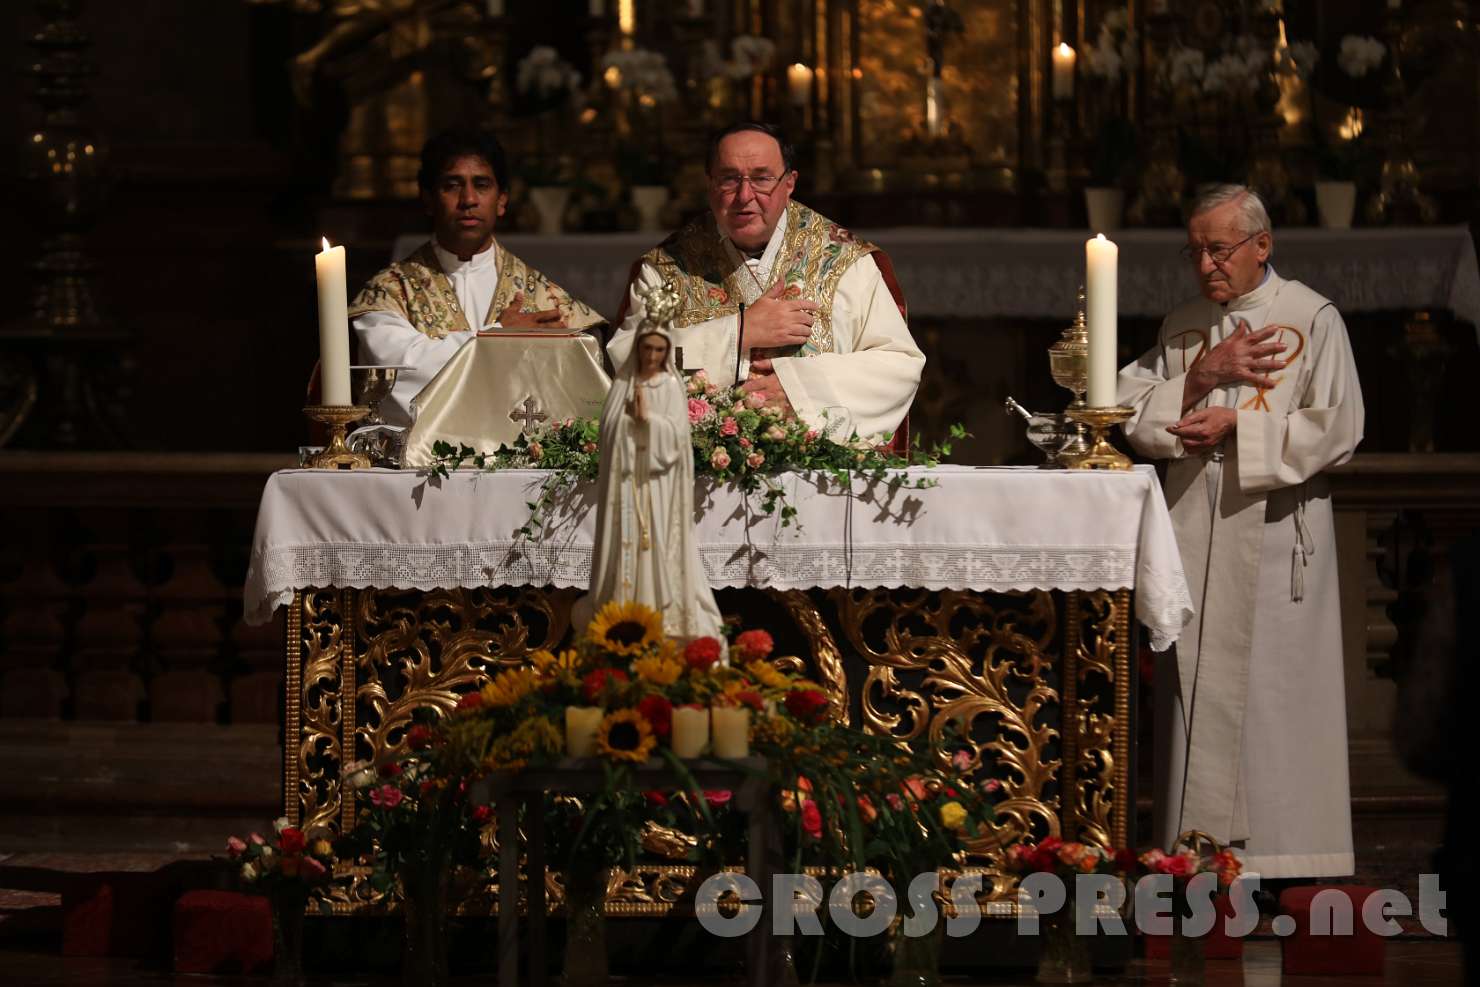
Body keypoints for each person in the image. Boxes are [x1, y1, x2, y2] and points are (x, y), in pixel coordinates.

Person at [1118, 184, 1365, 880]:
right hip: (1194, 527)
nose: (1206, 265)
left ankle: (1287, 859)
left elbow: (1339, 428)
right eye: (1194, 249)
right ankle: (1198, 858)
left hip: (1279, 532)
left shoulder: (1311, 317)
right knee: (1197, 690)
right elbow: (1126, 415)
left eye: (1219, 248)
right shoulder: (1185, 325)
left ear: (1263, 244)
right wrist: (1199, 377)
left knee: (1274, 698)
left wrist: (1241, 428)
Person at [608, 122, 923, 441]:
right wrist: (739, 332)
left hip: (823, 478)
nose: (745, 196)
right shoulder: (666, 268)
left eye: (761, 178)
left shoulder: (845, 262)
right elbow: (627, 367)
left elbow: (899, 365)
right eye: (729, 179)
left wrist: (798, 389)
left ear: (789, 183)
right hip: (699, 475)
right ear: (710, 184)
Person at [350, 128, 604, 425]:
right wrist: (499, 337)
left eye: (481, 185)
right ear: (428, 199)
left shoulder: (544, 297)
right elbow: (395, 375)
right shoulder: (390, 293)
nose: (468, 199)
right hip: (416, 465)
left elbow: (583, 378)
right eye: (452, 185)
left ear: (502, 200)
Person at [576, 308, 724, 644]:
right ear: (638, 348)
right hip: (627, 484)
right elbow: (610, 431)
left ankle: (663, 615)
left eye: (660, 350)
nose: (653, 356)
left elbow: (676, 441)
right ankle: (623, 617)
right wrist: (628, 423)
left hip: (659, 486)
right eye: (648, 349)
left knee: (656, 546)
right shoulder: (623, 385)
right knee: (627, 549)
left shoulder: (671, 386)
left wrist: (647, 421)